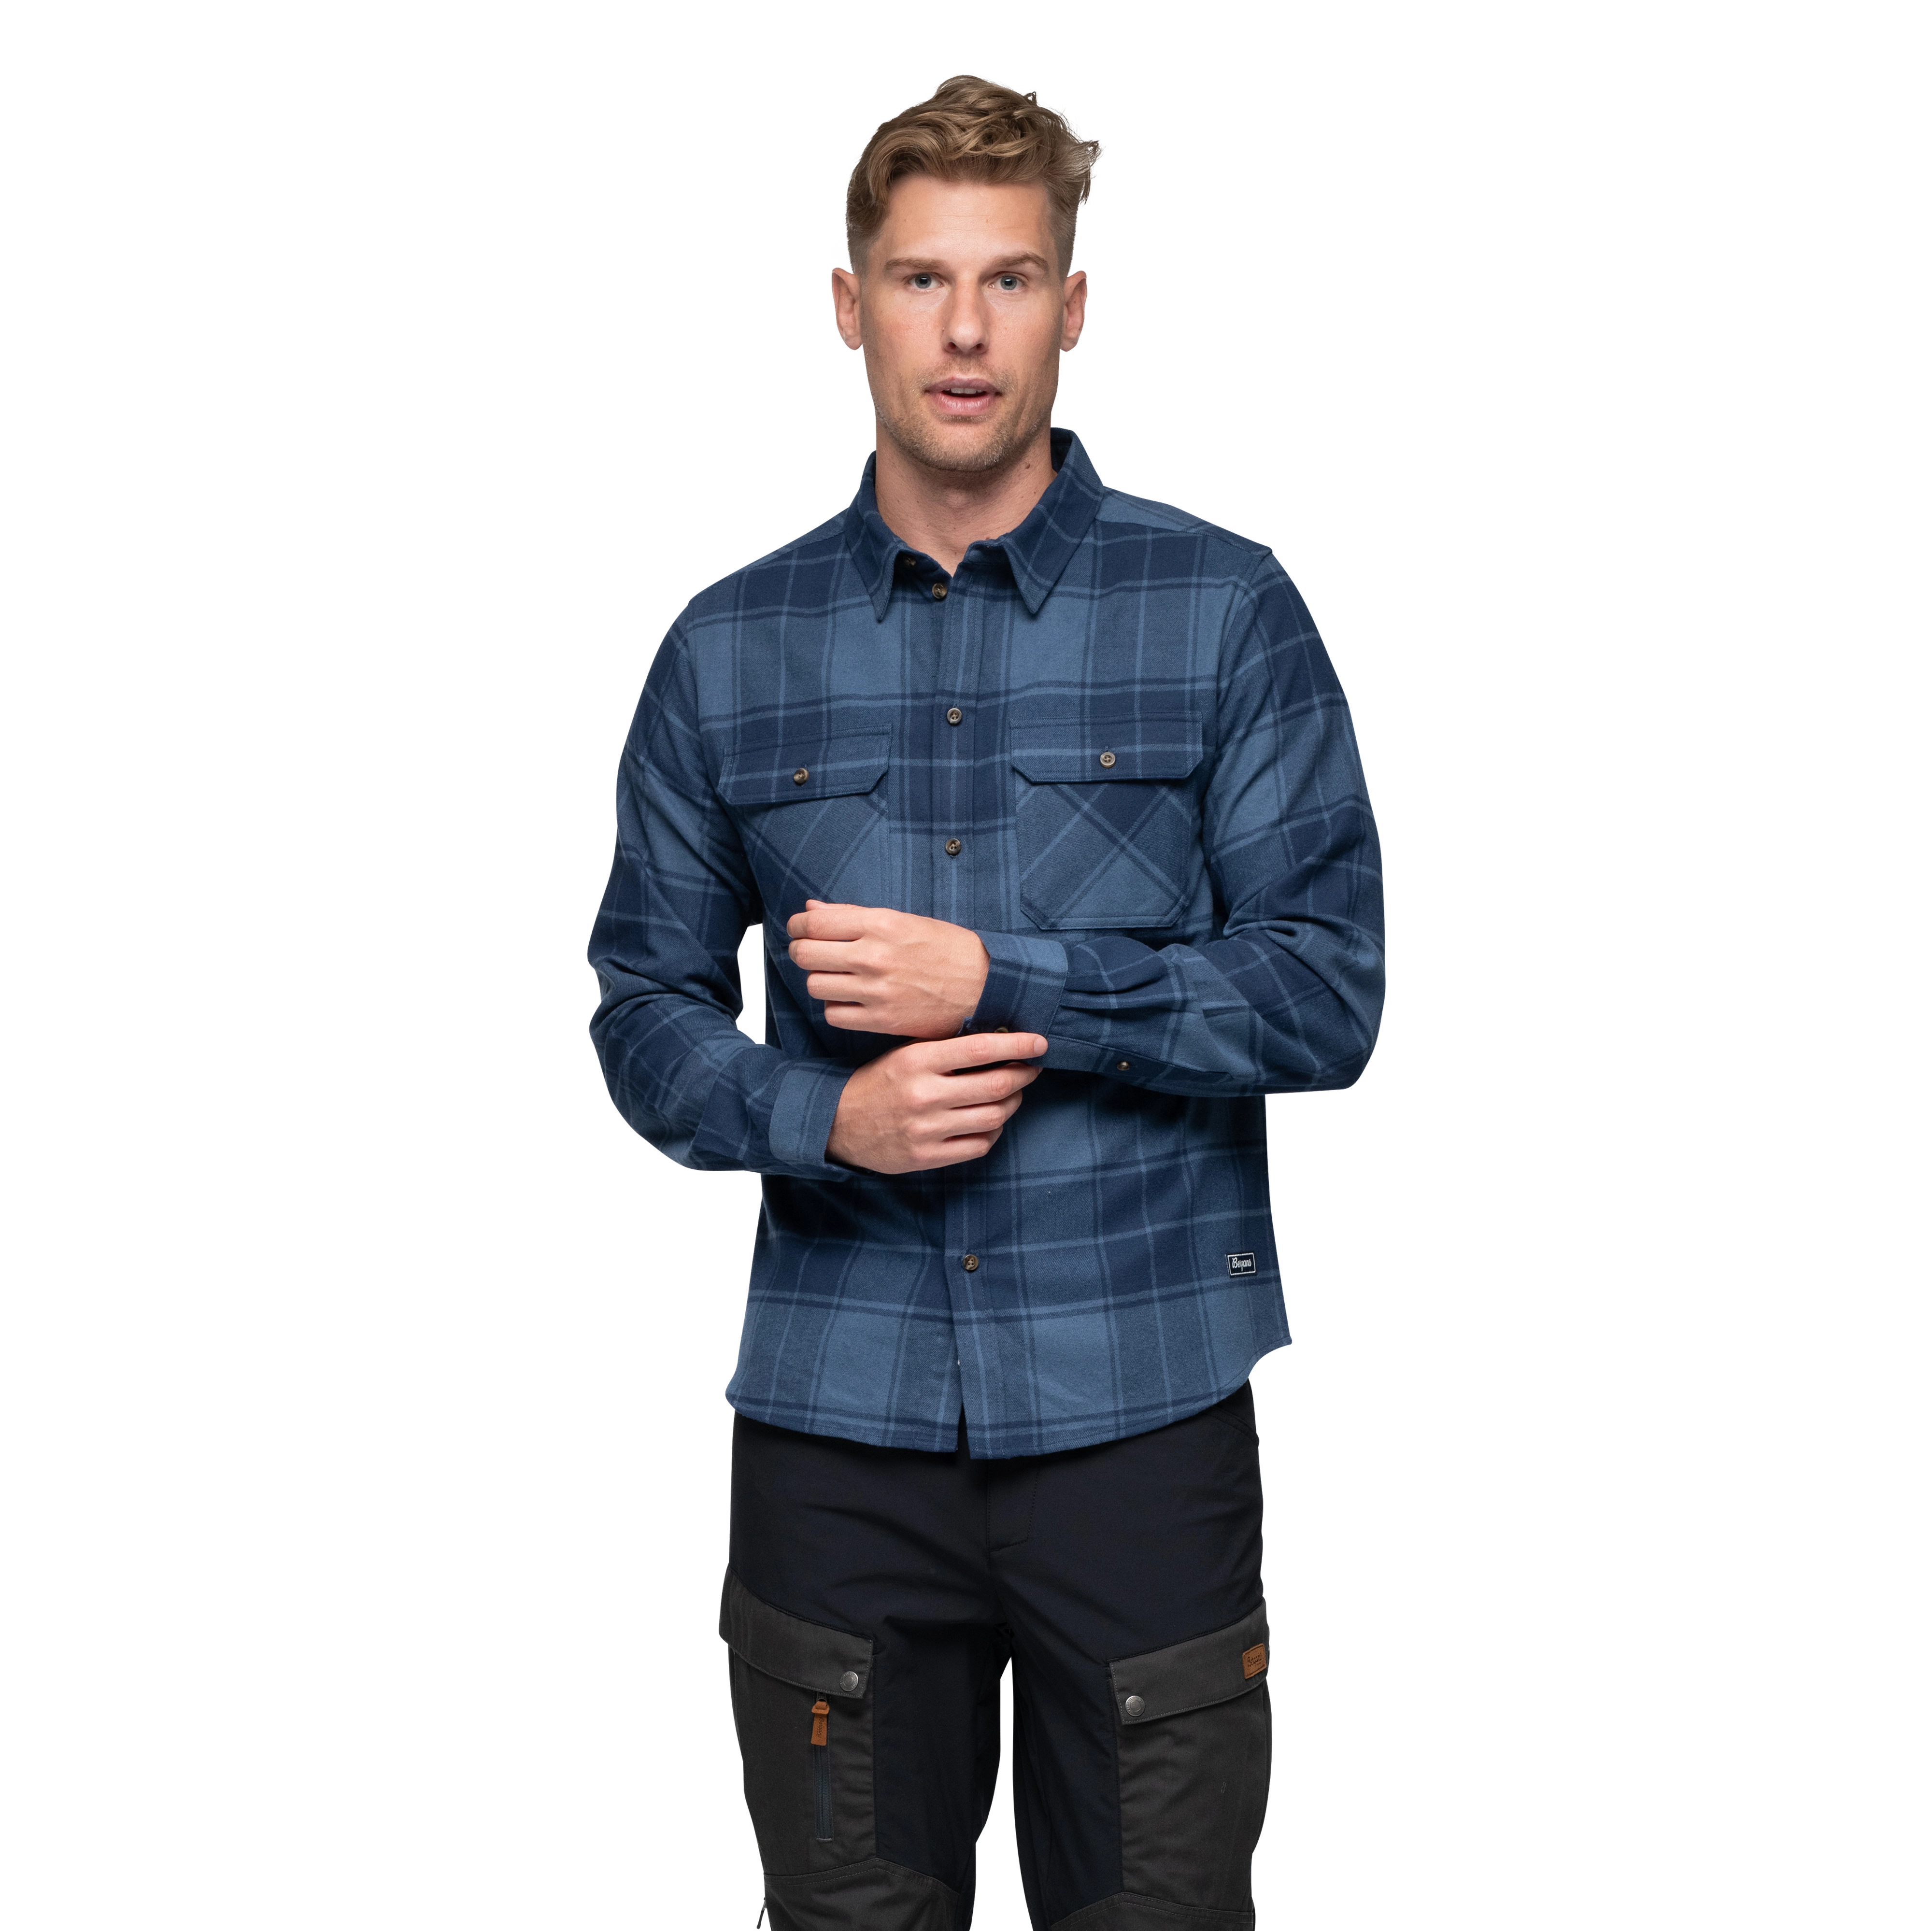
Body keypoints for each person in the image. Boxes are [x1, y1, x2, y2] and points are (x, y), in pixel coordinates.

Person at [587, 69, 1385, 1931]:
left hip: (1144, 1413)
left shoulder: (1227, 609)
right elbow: (640, 1004)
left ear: (1073, 304)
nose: (965, 329)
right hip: (835, 1429)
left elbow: (1328, 995)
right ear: (848, 303)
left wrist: (1011, 985)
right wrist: (823, 1117)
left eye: (1011, 278)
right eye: (923, 277)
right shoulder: (725, 646)